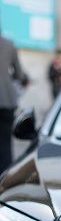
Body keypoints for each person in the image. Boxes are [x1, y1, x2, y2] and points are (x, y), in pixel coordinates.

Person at [0, 31, 28, 173]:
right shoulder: (8, 44)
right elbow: (19, 74)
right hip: (6, 100)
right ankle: (4, 182)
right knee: (5, 144)